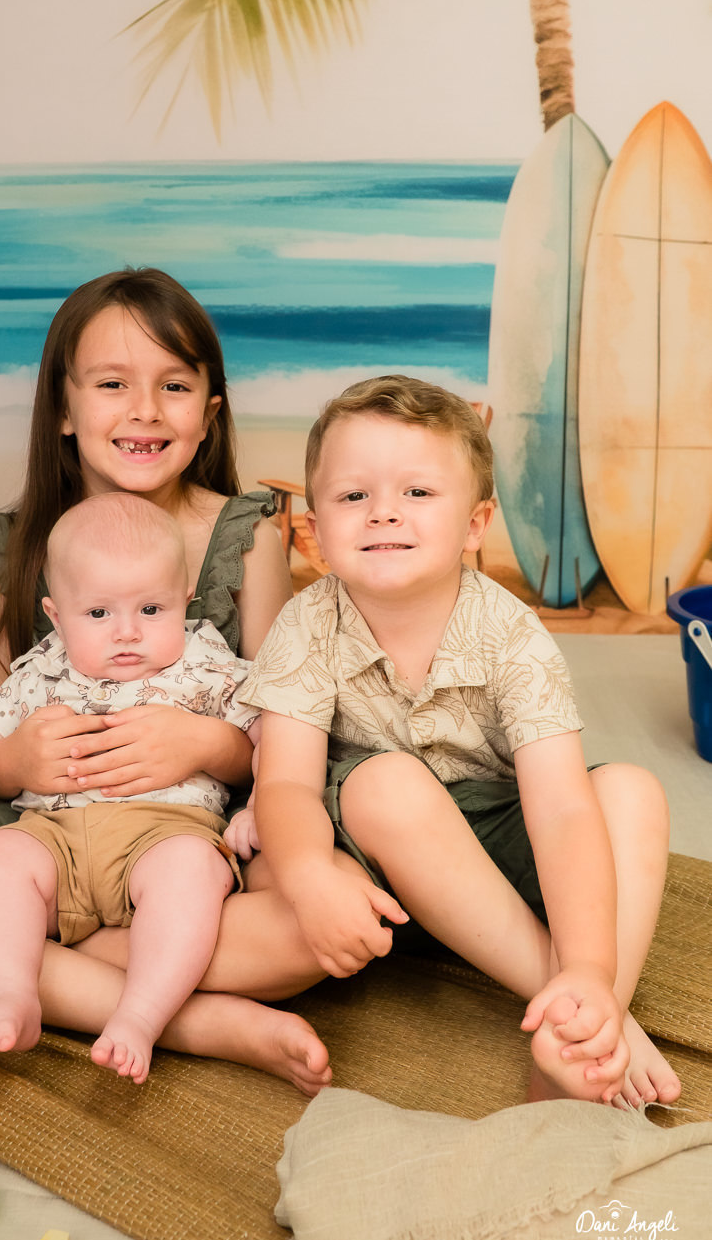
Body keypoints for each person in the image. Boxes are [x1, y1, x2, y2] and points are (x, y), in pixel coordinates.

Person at [0, 267, 333, 1096]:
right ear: (62, 406)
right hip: (41, 828)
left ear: (208, 412)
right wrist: (21, 761)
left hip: (184, 831)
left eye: (173, 386)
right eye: (112, 384)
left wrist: (203, 743)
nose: (144, 410)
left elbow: (278, 731)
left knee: (313, 924)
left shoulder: (248, 537)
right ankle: (189, 1019)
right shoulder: (13, 547)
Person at [239, 374, 681, 1109]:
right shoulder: (307, 624)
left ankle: (584, 1010)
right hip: (375, 878)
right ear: (313, 533)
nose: (383, 512)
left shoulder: (511, 633)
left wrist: (587, 960)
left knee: (630, 790)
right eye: (353, 495)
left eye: (417, 492)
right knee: (387, 784)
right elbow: (283, 784)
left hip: (494, 869)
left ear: (475, 525)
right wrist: (310, 875)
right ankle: (594, 1021)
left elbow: (561, 810)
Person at [0, 494, 261, 1084]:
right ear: (56, 613)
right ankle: (10, 994)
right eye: (98, 613)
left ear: (185, 600)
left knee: (192, 875)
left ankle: (141, 1015)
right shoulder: (43, 669)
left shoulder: (205, 660)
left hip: (165, 833)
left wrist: (262, 801)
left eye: (152, 609)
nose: (127, 632)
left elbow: (270, 727)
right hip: (53, 836)